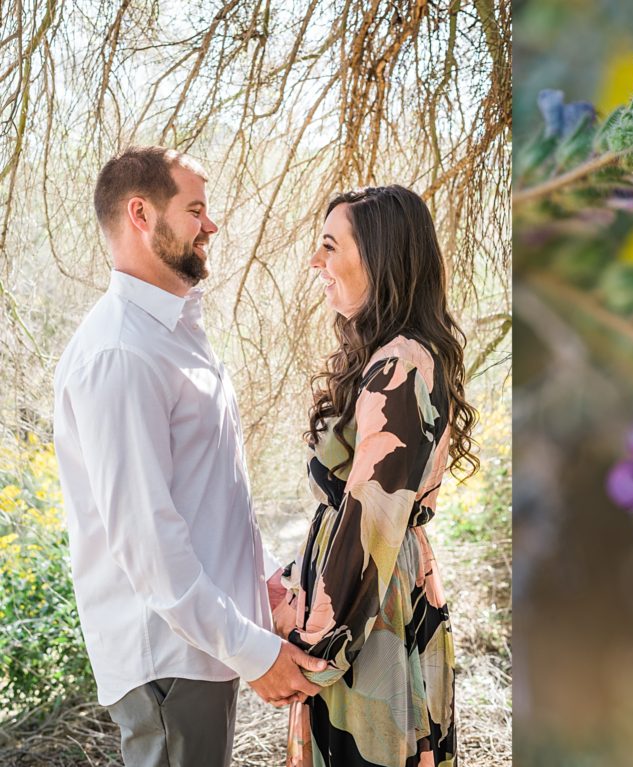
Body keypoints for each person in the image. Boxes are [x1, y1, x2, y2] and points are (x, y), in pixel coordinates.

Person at [53, 146, 327, 767]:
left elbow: (215, 494)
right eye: (196, 209)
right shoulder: (120, 353)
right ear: (142, 214)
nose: (213, 225)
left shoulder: (172, 335)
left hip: (201, 651)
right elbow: (149, 541)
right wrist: (253, 652)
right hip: (167, 662)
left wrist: (264, 592)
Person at [270, 186, 477, 766]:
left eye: (330, 246)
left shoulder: (403, 363)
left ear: (380, 256)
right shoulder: (388, 355)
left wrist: (316, 651)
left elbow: (370, 522)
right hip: (360, 609)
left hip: (371, 620)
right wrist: (293, 582)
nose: (316, 261)